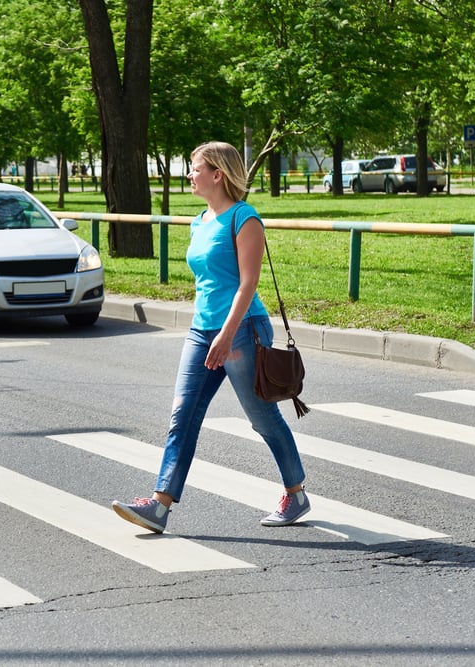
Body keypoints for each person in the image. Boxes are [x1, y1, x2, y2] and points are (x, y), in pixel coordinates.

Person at [112, 141, 309, 534]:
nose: (189, 174)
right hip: (202, 331)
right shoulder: (199, 220)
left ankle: (296, 492)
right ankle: (160, 505)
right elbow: (208, 281)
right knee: (182, 415)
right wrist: (210, 331)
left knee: (262, 416)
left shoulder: (244, 218)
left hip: (241, 330)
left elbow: (248, 284)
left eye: (195, 167)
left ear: (217, 174)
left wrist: (227, 333)